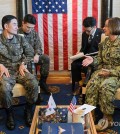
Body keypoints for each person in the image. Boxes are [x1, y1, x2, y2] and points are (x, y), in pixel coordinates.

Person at [0, 15, 38, 130]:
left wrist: (23, 63)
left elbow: (30, 53)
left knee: (33, 83)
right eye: (15, 24)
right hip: (6, 72)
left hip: (20, 69)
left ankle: (28, 110)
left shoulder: (20, 38)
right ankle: (9, 114)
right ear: (6, 26)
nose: (17, 27)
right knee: (5, 89)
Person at [82, 17, 120, 131]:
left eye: (106, 26)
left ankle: (107, 119)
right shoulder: (104, 42)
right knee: (92, 84)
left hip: (115, 74)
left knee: (105, 87)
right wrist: (93, 60)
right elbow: (100, 59)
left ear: (113, 27)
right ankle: (90, 116)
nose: (103, 28)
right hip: (102, 71)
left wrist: (110, 72)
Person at [18, 14, 50, 94]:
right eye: (28, 27)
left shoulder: (34, 33)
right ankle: (35, 89)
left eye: (32, 27)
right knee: (29, 64)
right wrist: (27, 59)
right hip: (22, 59)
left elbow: (38, 46)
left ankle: (42, 82)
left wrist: (37, 54)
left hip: (33, 56)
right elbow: (16, 51)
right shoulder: (16, 33)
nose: (30, 29)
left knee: (46, 58)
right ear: (23, 23)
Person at [71, 17, 103, 95]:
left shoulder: (102, 34)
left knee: (86, 67)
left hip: (95, 58)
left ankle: (86, 86)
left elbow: (102, 51)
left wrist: (91, 57)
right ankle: (79, 84)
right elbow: (84, 47)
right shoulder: (84, 34)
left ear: (94, 27)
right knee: (74, 64)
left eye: (88, 30)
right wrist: (80, 52)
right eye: (85, 30)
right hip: (85, 56)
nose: (86, 32)